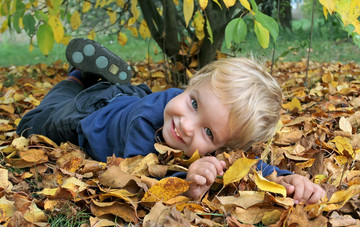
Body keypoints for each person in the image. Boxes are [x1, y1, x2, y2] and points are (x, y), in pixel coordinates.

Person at [17, 38, 325, 203]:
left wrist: (285, 179)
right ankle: (77, 77)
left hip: (126, 96)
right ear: (191, 84)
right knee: (33, 122)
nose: (186, 126)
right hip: (87, 115)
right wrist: (183, 186)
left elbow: (245, 165)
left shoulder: (204, 127)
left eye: (208, 131)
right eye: (193, 103)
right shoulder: (145, 122)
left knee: (110, 93)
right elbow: (136, 176)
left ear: (225, 144)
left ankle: (97, 77)